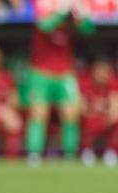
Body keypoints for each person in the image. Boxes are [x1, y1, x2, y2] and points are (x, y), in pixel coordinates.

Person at [25, 0, 95, 165]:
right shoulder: (44, 4)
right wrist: (61, 10)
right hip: (41, 73)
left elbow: (89, 29)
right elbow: (44, 26)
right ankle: (34, 154)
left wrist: (79, 14)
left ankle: (70, 154)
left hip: (65, 73)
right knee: (39, 113)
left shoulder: (72, 9)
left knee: (71, 114)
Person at [79, 58, 118, 167]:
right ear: (93, 71)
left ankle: (112, 152)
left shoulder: (113, 82)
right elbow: (82, 109)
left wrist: (108, 114)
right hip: (90, 119)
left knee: (116, 120)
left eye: (105, 72)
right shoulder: (84, 81)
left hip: (105, 120)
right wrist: (95, 110)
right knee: (84, 122)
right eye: (99, 71)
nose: (102, 75)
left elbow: (115, 105)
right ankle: (87, 152)